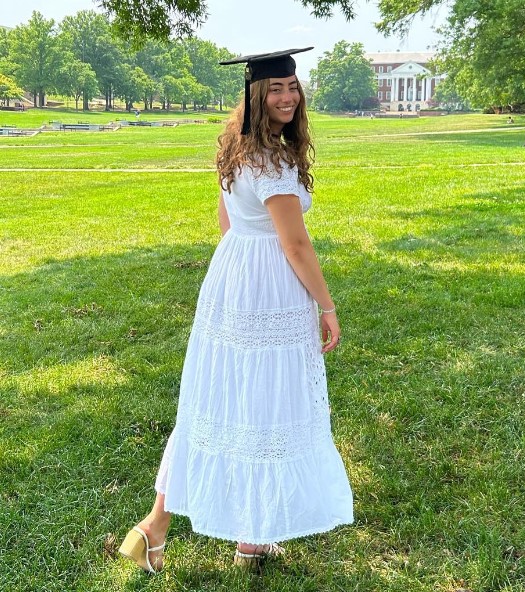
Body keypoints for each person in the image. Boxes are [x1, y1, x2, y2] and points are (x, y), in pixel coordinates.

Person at [118, 47, 354, 574]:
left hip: (233, 278)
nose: (288, 97)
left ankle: (172, 527)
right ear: (256, 95)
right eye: (276, 89)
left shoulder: (236, 147)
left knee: (223, 400)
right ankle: (202, 530)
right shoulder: (271, 160)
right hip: (268, 283)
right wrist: (326, 304)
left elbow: (227, 223)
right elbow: (295, 244)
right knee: (261, 401)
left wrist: (242, 275)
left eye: (292, 86)